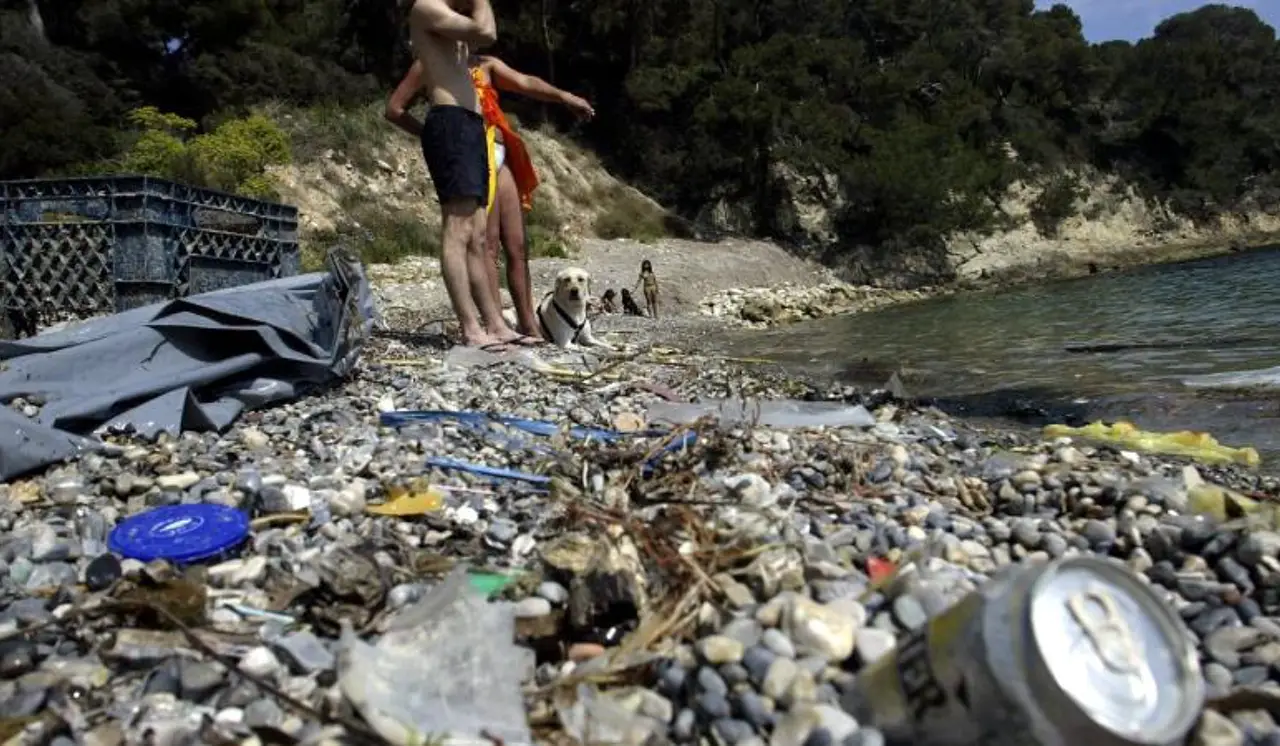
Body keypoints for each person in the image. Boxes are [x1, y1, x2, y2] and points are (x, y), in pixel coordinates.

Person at [393, 0, 534, 350]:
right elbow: (487, 32)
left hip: (470, 125)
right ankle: (470, 327)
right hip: (450, 122)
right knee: (458, 228)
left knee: (478, 232)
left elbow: (485, 45)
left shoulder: (451, 25)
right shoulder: (425, 7)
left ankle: (495, 324)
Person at [469, 55, 594, 339]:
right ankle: (495, 324)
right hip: (474, 154)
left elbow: (525, 82)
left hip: (500, 149)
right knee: (488, 246)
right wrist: (433, 137)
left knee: (517, 245)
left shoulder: (484, 63)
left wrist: (565, 97)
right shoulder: (434, 62)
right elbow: (395, 109)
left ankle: (528, 324)